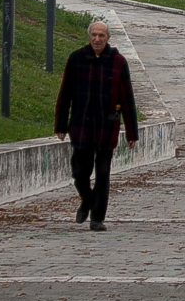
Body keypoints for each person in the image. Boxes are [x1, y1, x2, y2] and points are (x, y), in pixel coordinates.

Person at [53, 19, 138, 230]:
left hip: (106, 128)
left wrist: (131, 132)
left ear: (108, 38)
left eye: (101, 35)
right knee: (79, 172)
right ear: (88, 36)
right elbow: (65, 94)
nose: (97, 39)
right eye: (94, 35)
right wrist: (61, 125)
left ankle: (97, 218)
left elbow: (128, 98)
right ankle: (87, 199)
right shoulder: (76, 59)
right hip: (81, 126)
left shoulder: (118, 62)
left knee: (103, 173)